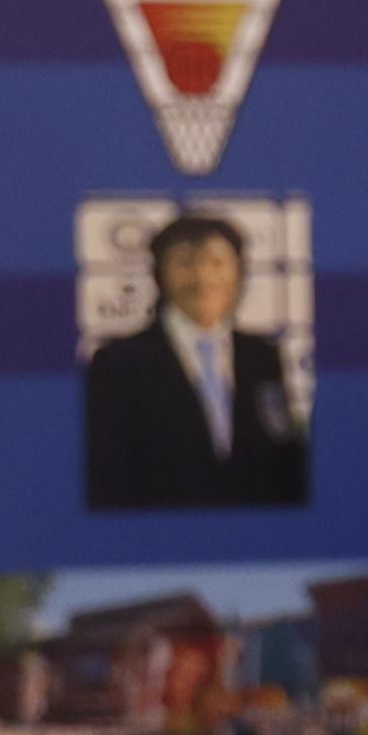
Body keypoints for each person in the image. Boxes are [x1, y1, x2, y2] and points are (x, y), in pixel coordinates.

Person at [83, 210, 308, 510]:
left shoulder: (262, 356)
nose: (203, 277)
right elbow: (107, 474)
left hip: (255, 534)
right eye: (186, 263)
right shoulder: (118, 363)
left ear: (239, 272)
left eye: (217, 263)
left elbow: (283, 458)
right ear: (159, 274)